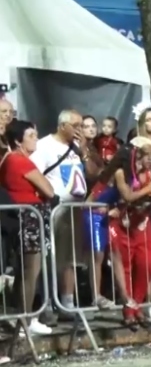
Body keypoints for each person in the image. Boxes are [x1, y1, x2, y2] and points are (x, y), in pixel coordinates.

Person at [98, 138, 151, 330]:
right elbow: (127, 196)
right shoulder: (121, 172)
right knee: (125, 266)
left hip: (143, 222)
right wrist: (149, 189)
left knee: (146, 265)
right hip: (122, 223)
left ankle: (137, 304)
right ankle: (129, 310)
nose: (149, 159)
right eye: (146, 155)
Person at [31, 109, 89, 321]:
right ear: (62, 125)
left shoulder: (77, 147)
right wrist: (50, 197)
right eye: (76, 125)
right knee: (50, 257)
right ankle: (45, 303)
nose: (79, 130)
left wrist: (84, 152)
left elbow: (91, 174)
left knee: (70, 258)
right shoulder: (45, 146)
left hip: (75, 209)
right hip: (55, 210)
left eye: (82, 125)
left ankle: (67, 303)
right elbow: (34, 174)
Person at [0, 120, 57, 335]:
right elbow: (49, 190)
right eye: (31, 135)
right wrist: (42, 193)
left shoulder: (11, 160)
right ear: (17, 140)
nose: (36, 139)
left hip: (27, 217)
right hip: (28, 218)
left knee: (29, 270)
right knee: (30, 270)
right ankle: (24, 319)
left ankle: (25, 317)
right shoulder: (19, 161)